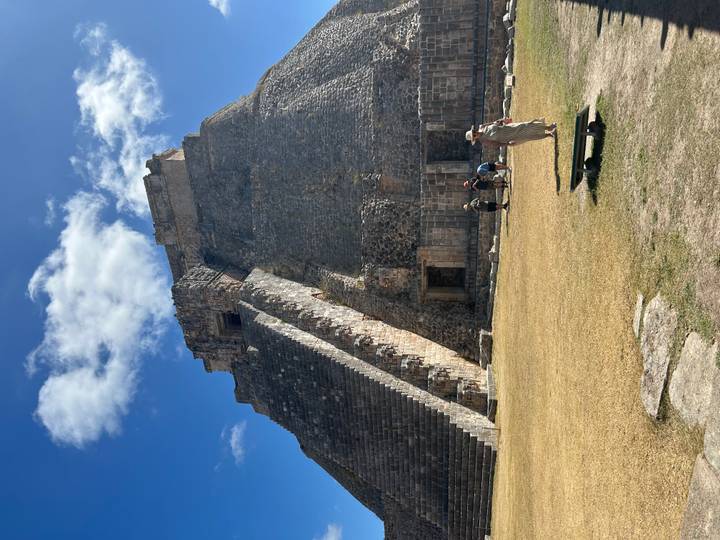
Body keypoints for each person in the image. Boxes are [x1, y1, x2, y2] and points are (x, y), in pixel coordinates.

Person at [466, 117, 556, 147]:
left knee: (526, 125)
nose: (475, 134)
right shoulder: (484, 141)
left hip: (508, 128)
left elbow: (495, 122)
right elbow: (496, 144)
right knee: (528, 136)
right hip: (509, 138)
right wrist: (508, 144)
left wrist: (504, 120)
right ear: (475, 138)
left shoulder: (482, 126)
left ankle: (548, 127)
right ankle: (548, 134)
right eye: (474, 136)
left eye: (474, 132)